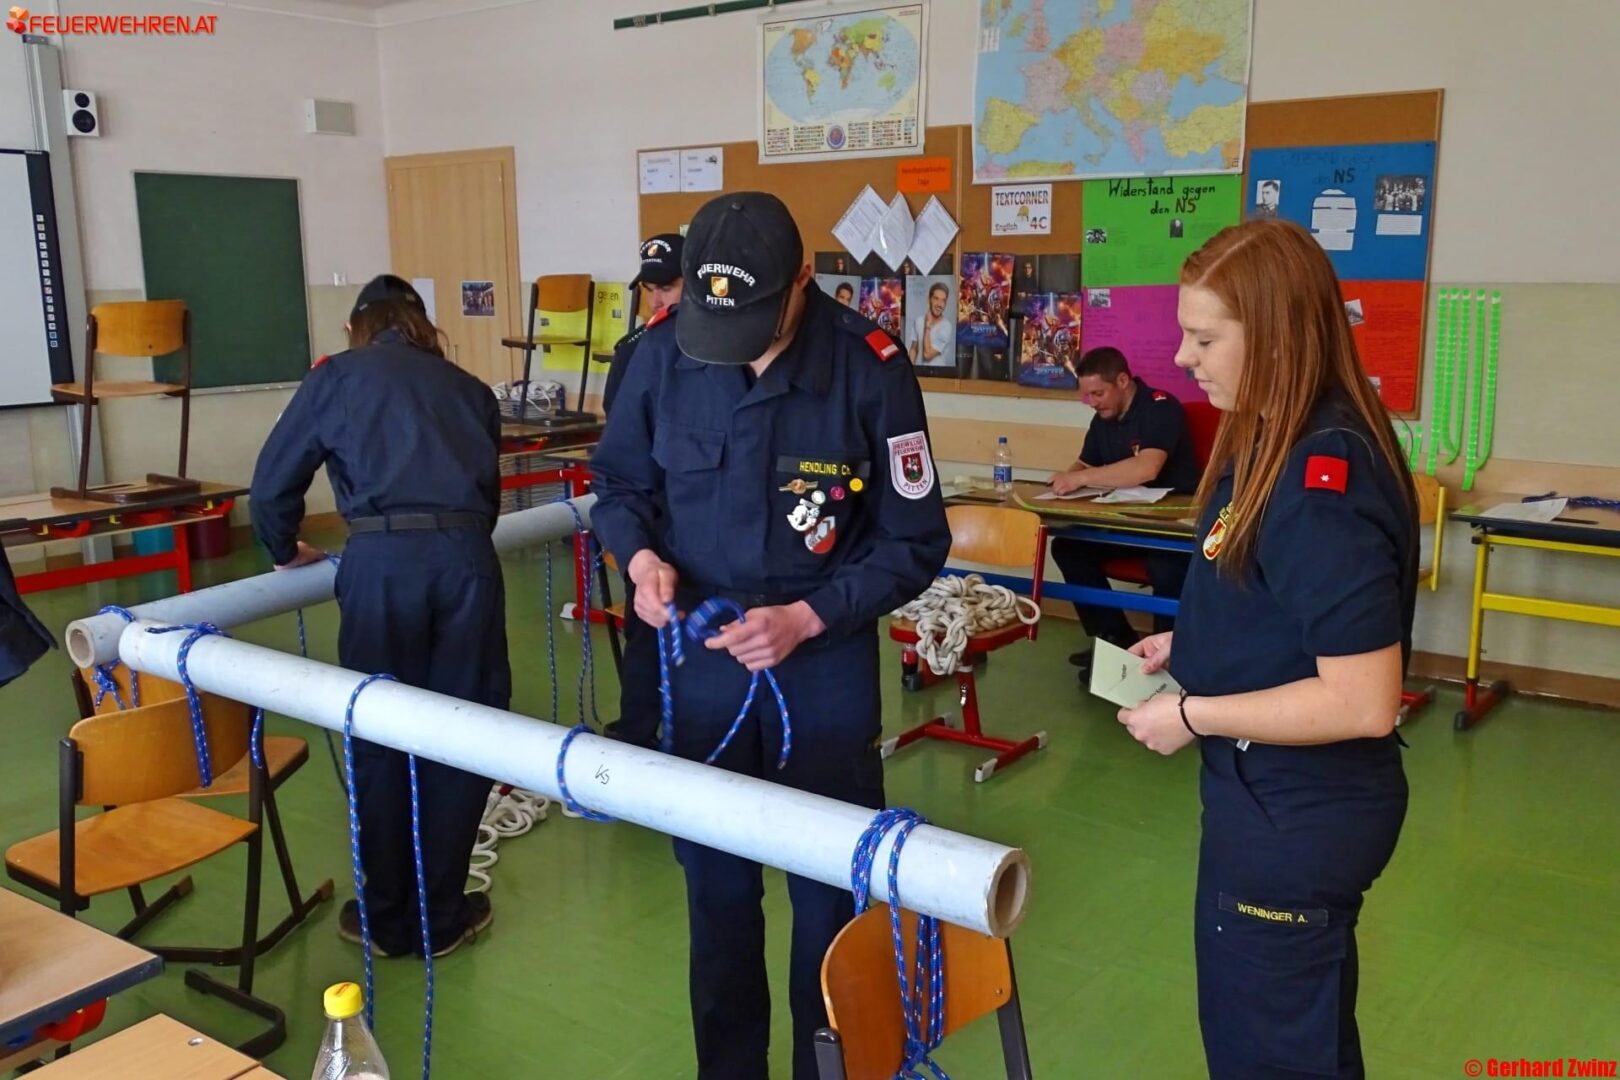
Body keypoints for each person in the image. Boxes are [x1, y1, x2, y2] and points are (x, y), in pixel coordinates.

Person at [590, 191, 950, 1080]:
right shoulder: (661, 354)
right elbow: (622, 487)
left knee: (829, 903)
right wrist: (641, 559)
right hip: (703, 659)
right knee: (715, 896)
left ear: (801, 282)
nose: (735, 343)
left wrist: (810, 616)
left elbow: (916, 538)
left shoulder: (869, 366)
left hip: (821, 663)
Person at [1117, 218, 1418, 1079]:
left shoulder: (1323, 480)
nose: (1183, 357)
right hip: (1271, 796)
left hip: (1296, 812)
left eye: (1205, 338)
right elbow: (1277, 598)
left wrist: (1192, 714)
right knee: (1288, 1034)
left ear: (1279, 336)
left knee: (1271, 1051)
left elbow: (1363, 700)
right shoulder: (1275, 437)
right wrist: (1195, 641)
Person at [250, 274, 506, 958]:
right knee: (465, 731)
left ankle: (388, 917)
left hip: (381, 563)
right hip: (467, 563)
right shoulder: (471, 390)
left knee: (378, 730)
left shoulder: (336, 376)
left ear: (355, 328)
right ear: (424, 325)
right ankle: (442, 915)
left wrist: (284, 550)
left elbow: (271, 486)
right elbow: (488, 496)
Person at [1047, 346, 1202, 676]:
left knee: (1165, 567)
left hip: (1171, 528)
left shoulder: (1161, 407)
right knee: (1068, 548)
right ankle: (1114, 642)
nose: (1093, 402)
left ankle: (1168, 658)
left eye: (1098, 393)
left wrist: (1080, 478)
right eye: (1087, 395)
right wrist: (1062, 484)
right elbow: (1084, 464)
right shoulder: (1103, 418)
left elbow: (1147, 468)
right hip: (1127, 522)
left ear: (1122, 381)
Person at [603, 232, 683, 417]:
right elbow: (617, 417)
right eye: (648, 289)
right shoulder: (630, 349)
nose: (655, 302)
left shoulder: (721, 346)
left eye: (666, 289)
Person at [908, 282, 952, 365]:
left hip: (939, 372)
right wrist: (910, 369)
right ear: (929, 299)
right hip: (919, 371)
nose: (940, 304)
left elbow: (927, 354)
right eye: (936, 298)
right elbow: (914, 348)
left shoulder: (946, 326)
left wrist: (927, 326)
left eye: (943, 300)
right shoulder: (918, 321)